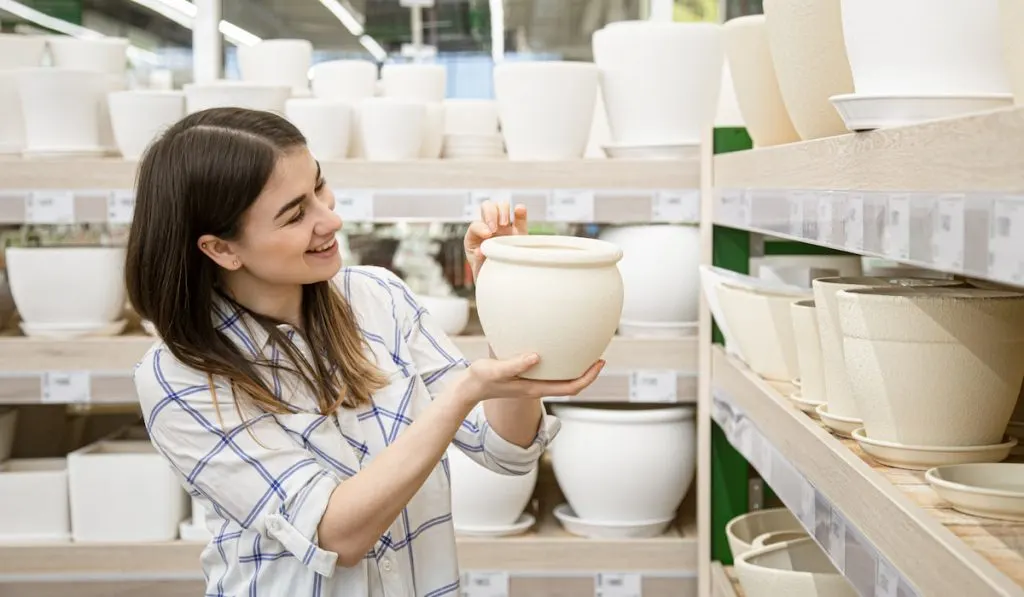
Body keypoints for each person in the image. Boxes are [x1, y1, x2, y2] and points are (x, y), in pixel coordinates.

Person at [125, 107, 604, 597]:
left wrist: (508, 303)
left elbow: (506, 450)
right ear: (222, 249)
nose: (330, 217)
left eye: (320, 186)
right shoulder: (178, 377)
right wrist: (459, 397)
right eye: (295, 213)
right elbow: (335, 535)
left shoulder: (379, 298)